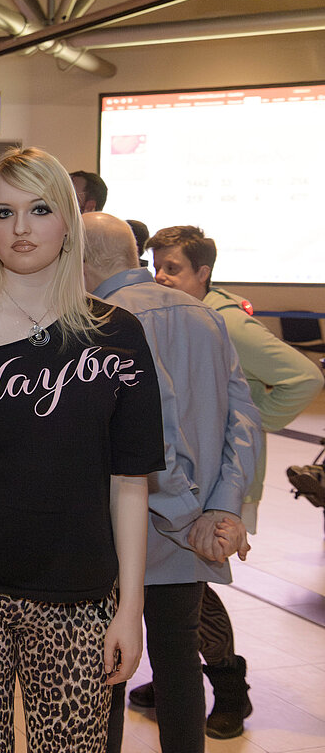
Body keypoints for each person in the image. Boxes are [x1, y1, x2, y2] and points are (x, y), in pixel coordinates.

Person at [0, 147, 163, 752]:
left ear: (69, 220)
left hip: (80, 596)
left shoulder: (117, 334)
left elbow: (129, 483)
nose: (21, 227)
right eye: (4, 212)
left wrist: (130, 609)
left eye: (40, 209)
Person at [82, 212, 260, 753]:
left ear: (81, 259)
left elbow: (152, 437)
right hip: (191, 527)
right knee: (178, 662)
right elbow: (243, 417)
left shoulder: (100, 321)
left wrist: (191, 519)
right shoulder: (206, 314)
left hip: (122, 526)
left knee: (108, 669)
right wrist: (220, 511)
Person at [143, 224, 324, 738]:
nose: (161, 276)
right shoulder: (178, 313)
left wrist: (250, 419)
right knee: (177, 587)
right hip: (194, 478)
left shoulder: (224, 320)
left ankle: (228, 690)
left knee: (195, 589)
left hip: (224, 480)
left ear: (203, 272)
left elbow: (305, 378)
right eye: (157, 266)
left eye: (174, 267)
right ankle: (174, 672)